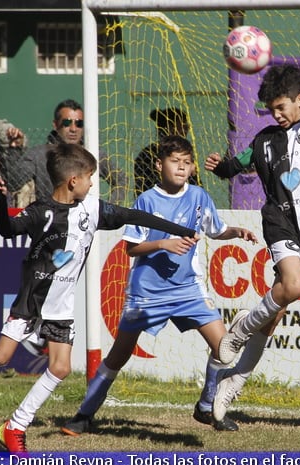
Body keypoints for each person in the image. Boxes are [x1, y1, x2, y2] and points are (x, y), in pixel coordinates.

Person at [0, 143, 197, 453]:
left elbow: (133, 214)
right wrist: (0, 201)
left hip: (62, 306)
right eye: (89, 177)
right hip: (31, 302)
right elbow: (7, 229)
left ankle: (15, 426)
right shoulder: (39, 211)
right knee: (1, 357)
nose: (92, 183)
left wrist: (180, 230)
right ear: (74, 181)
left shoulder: (92, 209)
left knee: (60, 368)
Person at [61, 135, 257, 436]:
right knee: (119, 354)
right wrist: (163, 243)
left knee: (224, 348)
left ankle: (206, 406)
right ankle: (83, 415)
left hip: (188, 289)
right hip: (147, 293)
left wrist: (236, 231)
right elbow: (131, 248)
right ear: (159, 164)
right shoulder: (147, 201)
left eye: (187, 163)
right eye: (175, 161)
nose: (182, 167)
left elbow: (215, 231)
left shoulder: (200, 197)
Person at [205, 42, 300, 425]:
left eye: (282, 107)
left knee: (273, 318)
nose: (276, 114)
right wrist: (219, 166)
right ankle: (237, 331)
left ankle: (230, 383)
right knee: (295, 285)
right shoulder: (264, 141)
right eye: (271, 109)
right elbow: (235, 166)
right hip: (277, 222)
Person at [4, 99, 131, 207]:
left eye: (79, 123)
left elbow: (121, 180)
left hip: (84, 222)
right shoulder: (40, 154)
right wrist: (14, 149)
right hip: (51, 218)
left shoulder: (93, 153)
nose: (73, 129)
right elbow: (14, 183)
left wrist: (107, 208)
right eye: (66, 123)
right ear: (55, 124)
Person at [134, 107, 196, 197]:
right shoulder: (148, 154)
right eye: (182, 124)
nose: (187, 128)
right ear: (170, 127)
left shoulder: (187, 153)